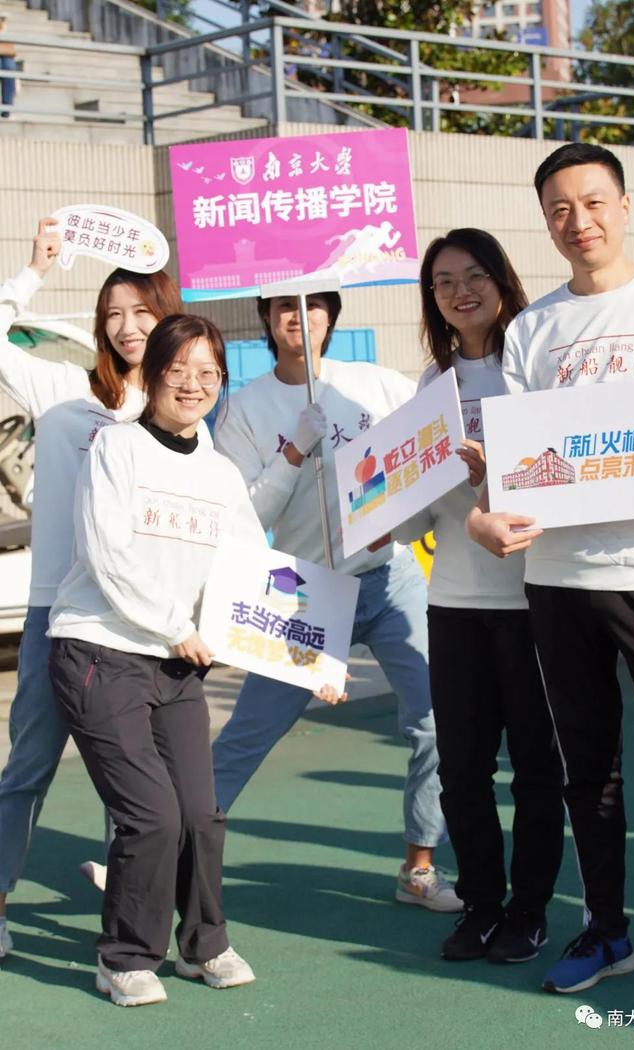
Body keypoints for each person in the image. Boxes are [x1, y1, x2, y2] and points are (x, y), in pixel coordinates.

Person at [468, 142, 634, 994]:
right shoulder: (532, 329)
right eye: (560, 209)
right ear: (545, 220)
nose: (579, 221)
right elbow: (512, 461)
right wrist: (485, 511)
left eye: (594, 202)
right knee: (588, 771)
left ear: (625, 206)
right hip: (559, 579)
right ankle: (606, 931)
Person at [212, 292, 460, 912]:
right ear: (267, 318)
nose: (300, 316)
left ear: (331, 316)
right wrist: (294, 452)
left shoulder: (375, 383)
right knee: (247, 736)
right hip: (303, 591)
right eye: (285, 306)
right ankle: (160, 859)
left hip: (391, 576)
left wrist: (401, 513)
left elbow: (430, 448)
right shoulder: (244, 408)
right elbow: (244, 517)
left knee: (436, 722)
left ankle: (419, 867)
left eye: (315, 305)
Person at [48, 314, 266, 1007]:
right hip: (101, 650)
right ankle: (124, 957)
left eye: (209, 373)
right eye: (178, 371)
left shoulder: (222, 474)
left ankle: (205, 945)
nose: (193, 385)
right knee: (152, 817)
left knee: (200, 814)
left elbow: (253, 570)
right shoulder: (116, 448)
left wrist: (309, 659)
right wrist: (176, 626)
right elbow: (105, 554)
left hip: (177, 666)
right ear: (151, 375)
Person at [0, 218, 183, 959]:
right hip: (59, 613)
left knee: (135, 773)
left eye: (142, 311)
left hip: (141, 618)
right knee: (29, 765)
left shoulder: (182, 413)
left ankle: (130, 905)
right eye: (113, 313)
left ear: (167, 317)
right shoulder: (63, 394)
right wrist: (35, 271)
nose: (128, 326)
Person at [380, 229, 564, 962]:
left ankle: (529, 911)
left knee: (537, 769)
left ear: (502, 280)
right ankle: (482, 906)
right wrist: (380, 513)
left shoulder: (537, 368)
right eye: (444, 282)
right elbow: (419, 512)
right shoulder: (433, 385)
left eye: (475, 275)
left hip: (535, 600)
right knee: (462, 769)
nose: (461, 292)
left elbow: (568, 478)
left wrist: (500, 478)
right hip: (454, 602)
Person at [0, 13, 17, 119]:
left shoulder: (5, 32)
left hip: (5, 58)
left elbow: (12, 51)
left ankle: (7, 108)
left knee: (9, 65)